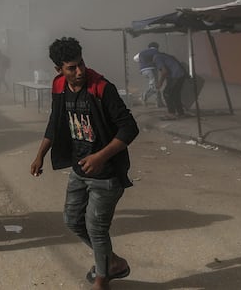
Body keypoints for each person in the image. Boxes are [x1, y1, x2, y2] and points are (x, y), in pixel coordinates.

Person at [29, 37, 139, 290]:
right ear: (59, 70)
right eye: (72, 67)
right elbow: (55, 123)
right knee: (72, 221)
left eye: (81, 64)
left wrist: (101, 156)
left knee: (96, 227)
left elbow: (129, 127)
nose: (80, 71)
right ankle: (111, 261)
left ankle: (102, 279)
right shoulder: (59, 86)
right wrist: (40, 155)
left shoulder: (101, 87)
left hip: (107, 173)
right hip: (79, 170)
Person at [154, 50, 188, 120]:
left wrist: (160, 83)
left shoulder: (156, 58)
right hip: (181, 74)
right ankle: (181, 113)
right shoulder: (164, 55)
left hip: (176, 75)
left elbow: (164, 72)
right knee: (175, 94)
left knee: (167, 93)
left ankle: (171, 113)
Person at [133, 42, 164, 107]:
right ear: (157, 47)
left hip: (143, 71)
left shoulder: (142, 52)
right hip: (151, 69)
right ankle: (143, 96)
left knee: (155, 85)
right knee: (154, 87)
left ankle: (159, 103)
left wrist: (143, 63)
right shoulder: (156, 52)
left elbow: (135, 59)